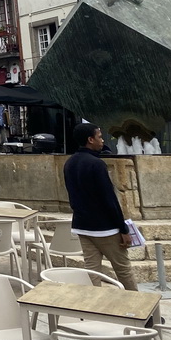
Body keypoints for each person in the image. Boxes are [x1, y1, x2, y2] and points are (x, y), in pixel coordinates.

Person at [63, 123, 137, 291]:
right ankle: (143, 314)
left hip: (83, 225)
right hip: (105, 228)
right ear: (90, 139)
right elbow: (108, 199)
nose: (102, 141)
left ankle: (96, 310)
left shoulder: (69, 163)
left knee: (92, 271)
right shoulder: (96, 164)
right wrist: (123, 228)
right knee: (123, 269)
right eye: (99, 137)